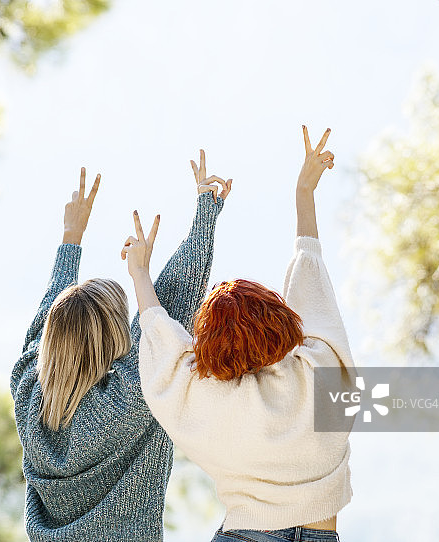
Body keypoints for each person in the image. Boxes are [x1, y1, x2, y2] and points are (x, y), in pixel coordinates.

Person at [123, 127, 353, 542]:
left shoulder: (207, 402)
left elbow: (163, 347)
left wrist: (140, 274)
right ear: (282, 319)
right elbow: (311, 280)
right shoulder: (322, 370)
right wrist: (304, 194)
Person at [11, 154, 233, 541]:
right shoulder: (130, 396)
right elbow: (169, 314)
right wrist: (204, 216)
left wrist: (71, 238)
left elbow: (42, 326)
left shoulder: (28, 393)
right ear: (117, 337)